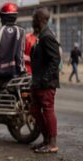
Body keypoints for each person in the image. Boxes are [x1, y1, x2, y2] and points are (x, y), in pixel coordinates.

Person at [30, 7, 60, 153]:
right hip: (38, 82)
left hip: (45, 84)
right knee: (35, 110)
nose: (32, 20)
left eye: (34, 17)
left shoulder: (47, 36)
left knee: (48, 110)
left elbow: (55, 60)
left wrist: (45, 78)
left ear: (40, 19)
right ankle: (46, 140)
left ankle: (52, 143)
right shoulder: (41, 35)